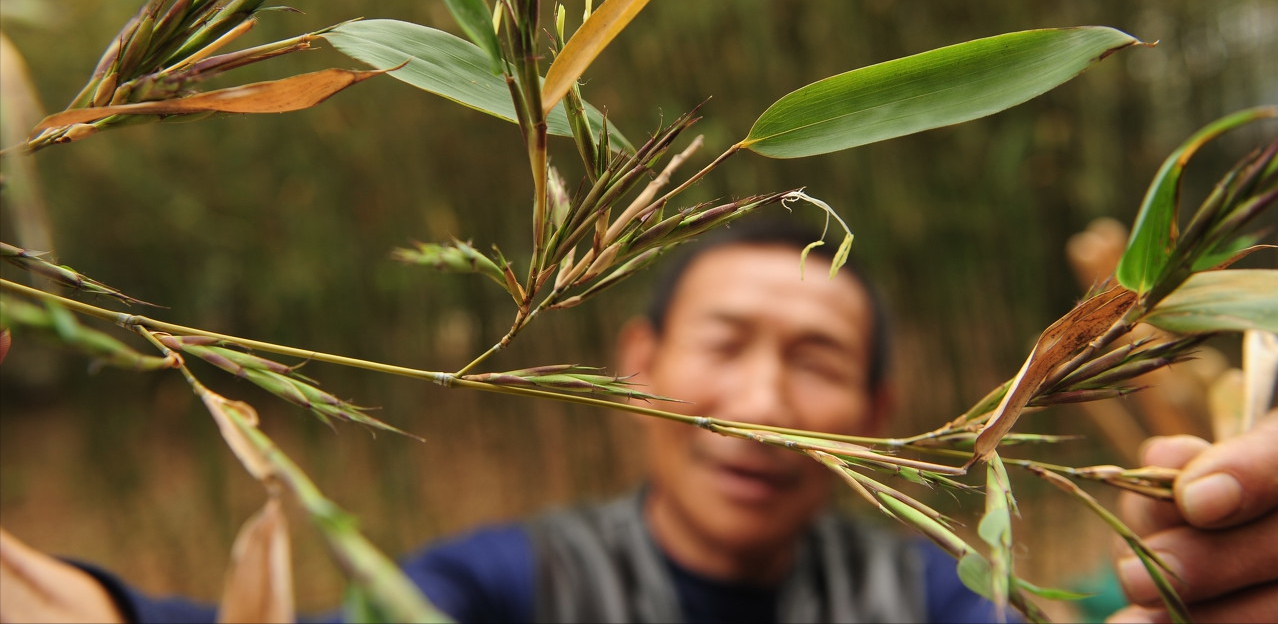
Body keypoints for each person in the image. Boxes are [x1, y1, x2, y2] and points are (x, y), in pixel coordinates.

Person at [1, 219, 1275, 623]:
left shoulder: (922, 595)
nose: (766, 405)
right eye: (726, 346)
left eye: (817, 361)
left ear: (882, 411)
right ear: (637, 367)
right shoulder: (512, 581)